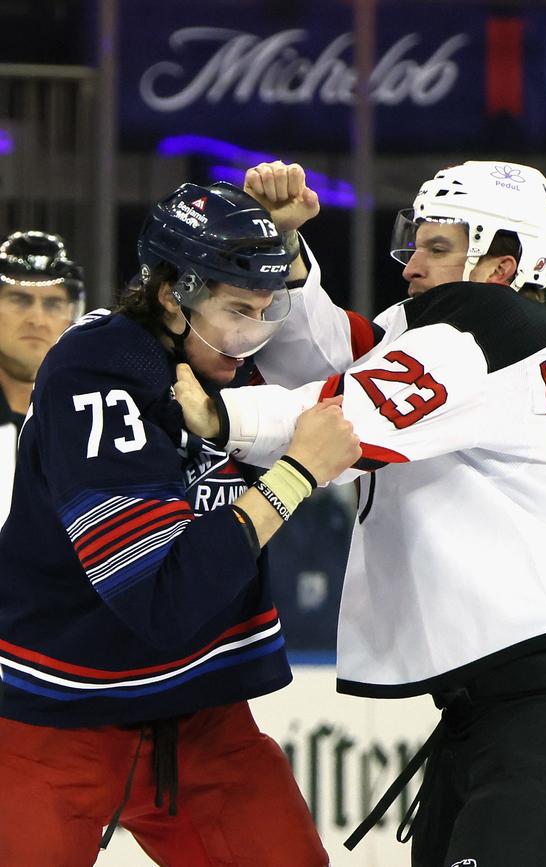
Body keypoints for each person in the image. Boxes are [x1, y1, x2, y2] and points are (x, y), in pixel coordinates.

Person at [174, 160, 546, 867]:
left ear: (502, 263)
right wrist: (288, 254)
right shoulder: (493, 332)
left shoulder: (489, 327)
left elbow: (343, 413)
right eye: (415, 243)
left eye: (438, 247)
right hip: (517, 696)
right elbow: (333, 362)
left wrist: (214, 414)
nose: (411, 266)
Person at [0, 181, 361, 867]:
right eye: (235, 312)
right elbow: (161, 600)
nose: (251, 338)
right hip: (55, 719)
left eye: (265, 313)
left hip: (204, 721)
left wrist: (279, 245)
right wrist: (292, 476)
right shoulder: (96, 370)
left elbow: (345, 377)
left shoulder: (238, 356)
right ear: (171, 294)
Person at [0, 229, 84, 526]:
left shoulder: (89, 421)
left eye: (52, 304)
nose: (36, 319)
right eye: (20, 300)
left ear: (72, 315)